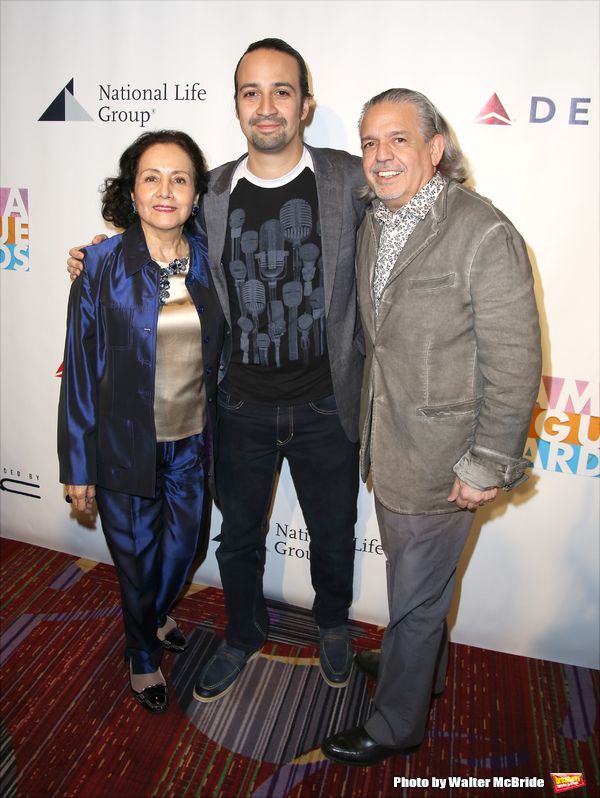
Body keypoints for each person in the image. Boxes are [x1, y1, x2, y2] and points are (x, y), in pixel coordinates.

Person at [67, 39, 366, 701]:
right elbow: (147, 245)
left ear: (305, 104)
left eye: (281, 91)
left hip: (325, 404)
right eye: (251, 93)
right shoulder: (219, 195)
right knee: (236, 542)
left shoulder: (350, 176)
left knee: (334, 533)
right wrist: (96, 255)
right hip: (239, 410)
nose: (267, 107)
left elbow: (412, 204)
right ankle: (240, 633)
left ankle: (334, 625)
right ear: (235, 106)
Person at [321, 89, 542, 766]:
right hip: (391, 444)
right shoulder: (375, 221)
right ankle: (420, 672)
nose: (381, 157)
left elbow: (516, 359)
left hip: (448, 460)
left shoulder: (483, 231)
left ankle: (396, 727)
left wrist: (486, 463)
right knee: (418, 587)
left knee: (416, 599)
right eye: (369, 143)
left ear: (436, 149)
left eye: (398, 140)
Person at [58, 130, 223, 714]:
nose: (165, 190)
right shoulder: (100, 263)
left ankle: (152, 614)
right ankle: (142, 655)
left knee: (184, 549)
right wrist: (78, 464)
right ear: (132, 190)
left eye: (180, 179)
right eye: (151, 177)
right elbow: (80, 368)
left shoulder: (211, 260)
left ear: (197, 195)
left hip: (192, 443)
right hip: (124, 447)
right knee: (135, 561)